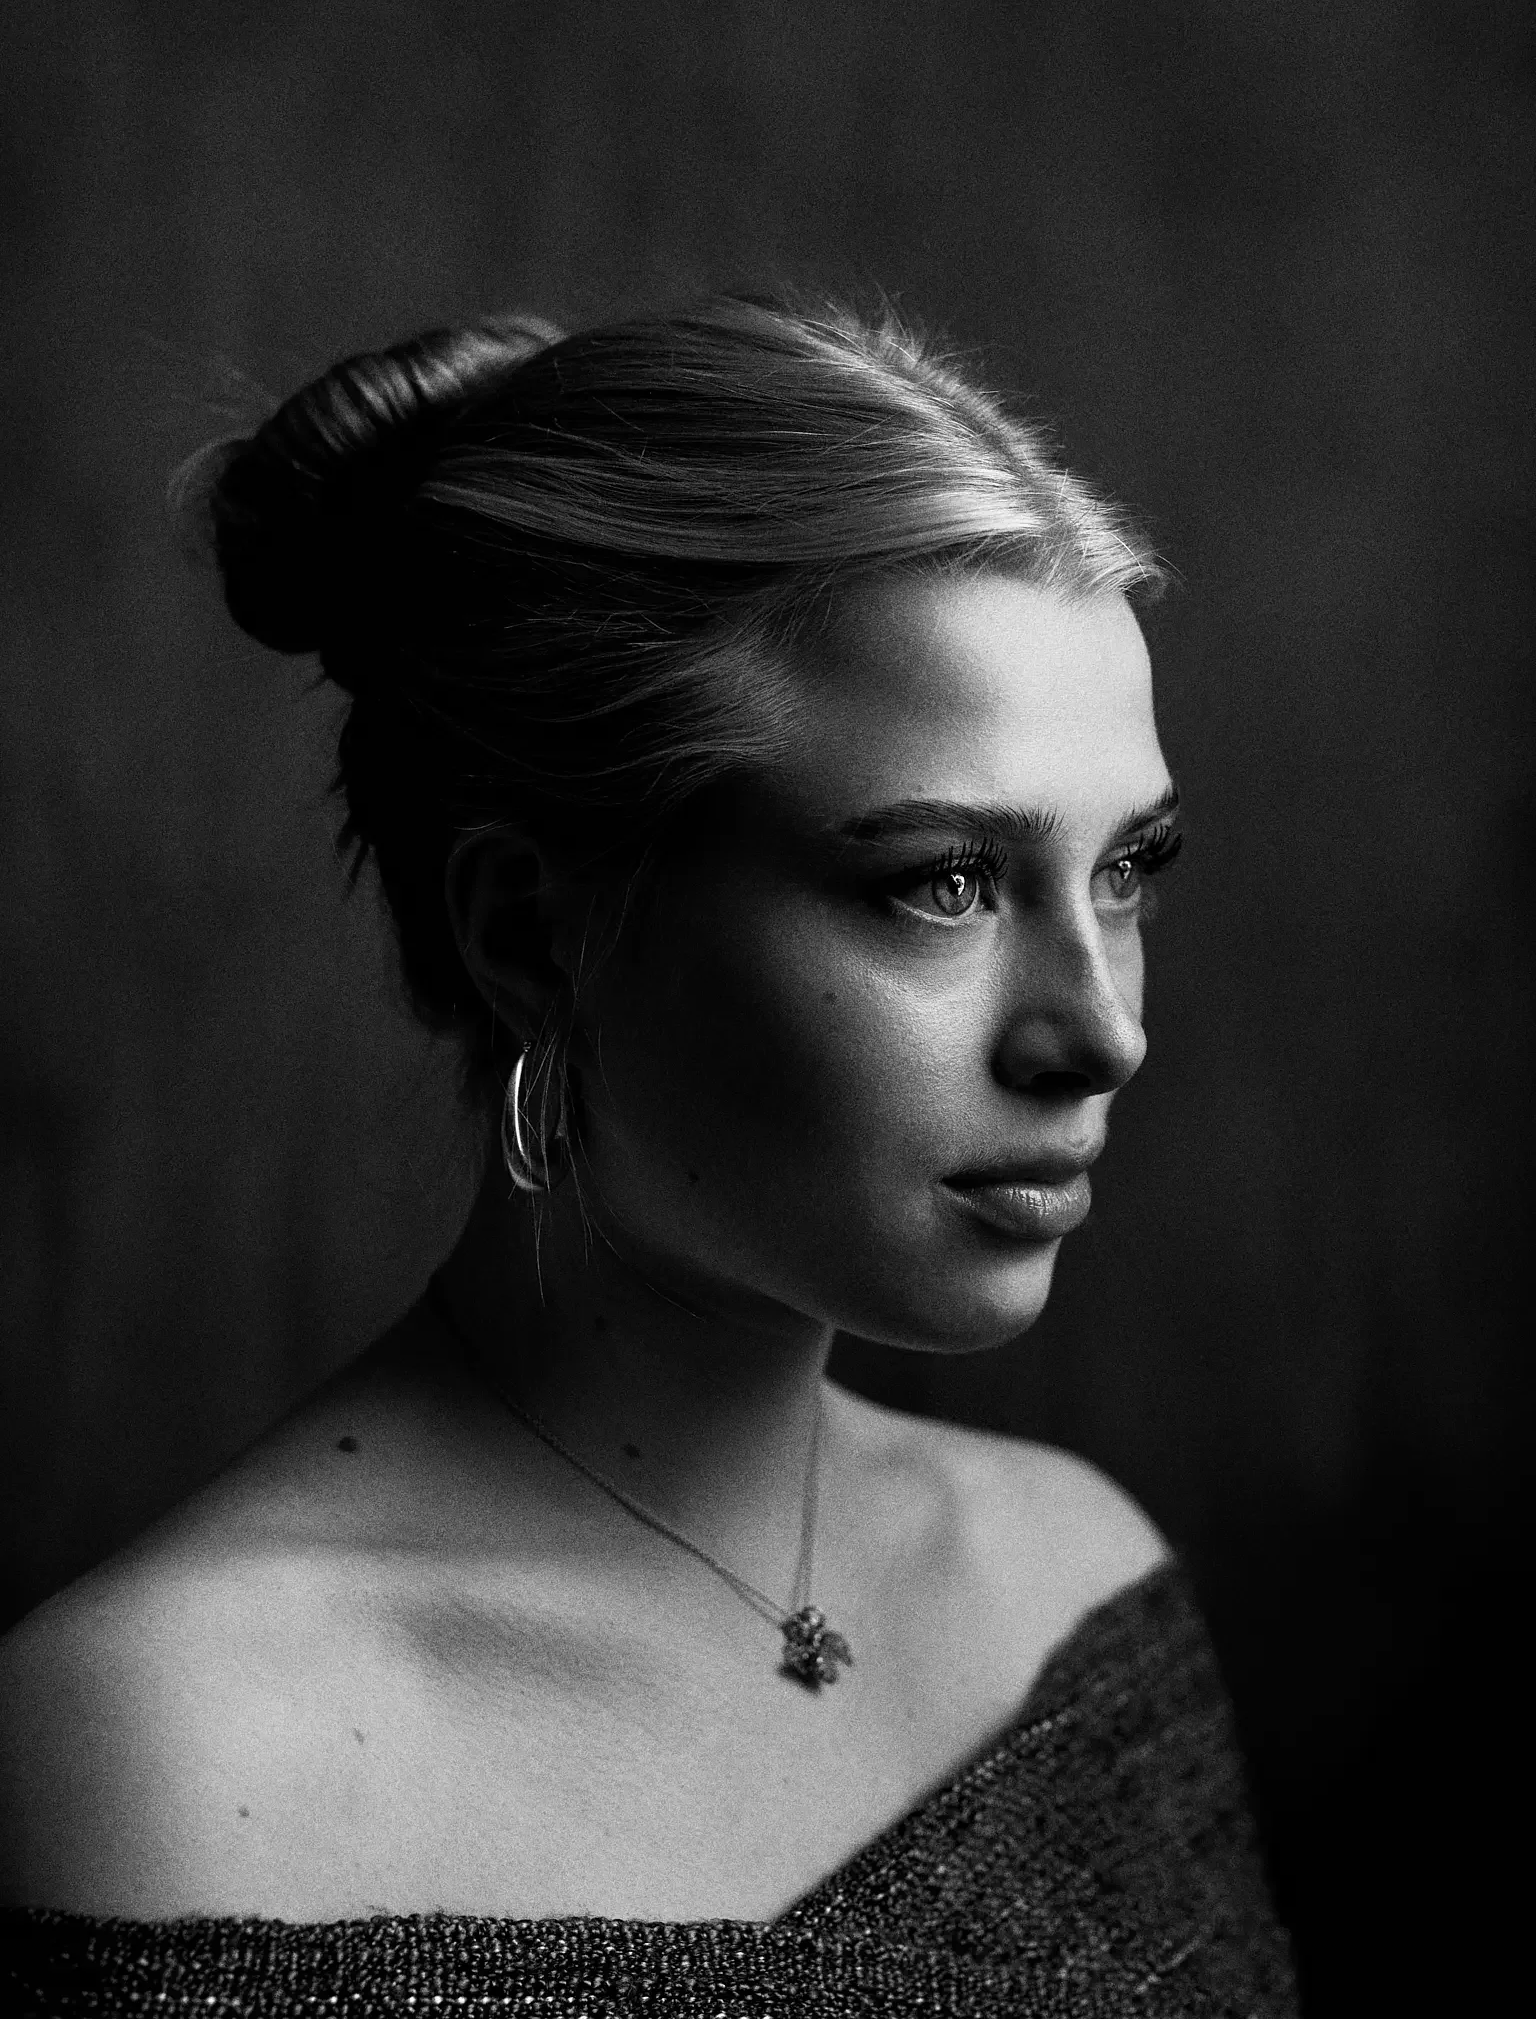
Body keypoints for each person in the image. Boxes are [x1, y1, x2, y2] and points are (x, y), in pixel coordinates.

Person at [0, 295, 1297, 2014]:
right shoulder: (161, 1757)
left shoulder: (1080, 1583)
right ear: (533, 932)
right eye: (943, 882)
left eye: (1125, 869)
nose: (1103, 1030)